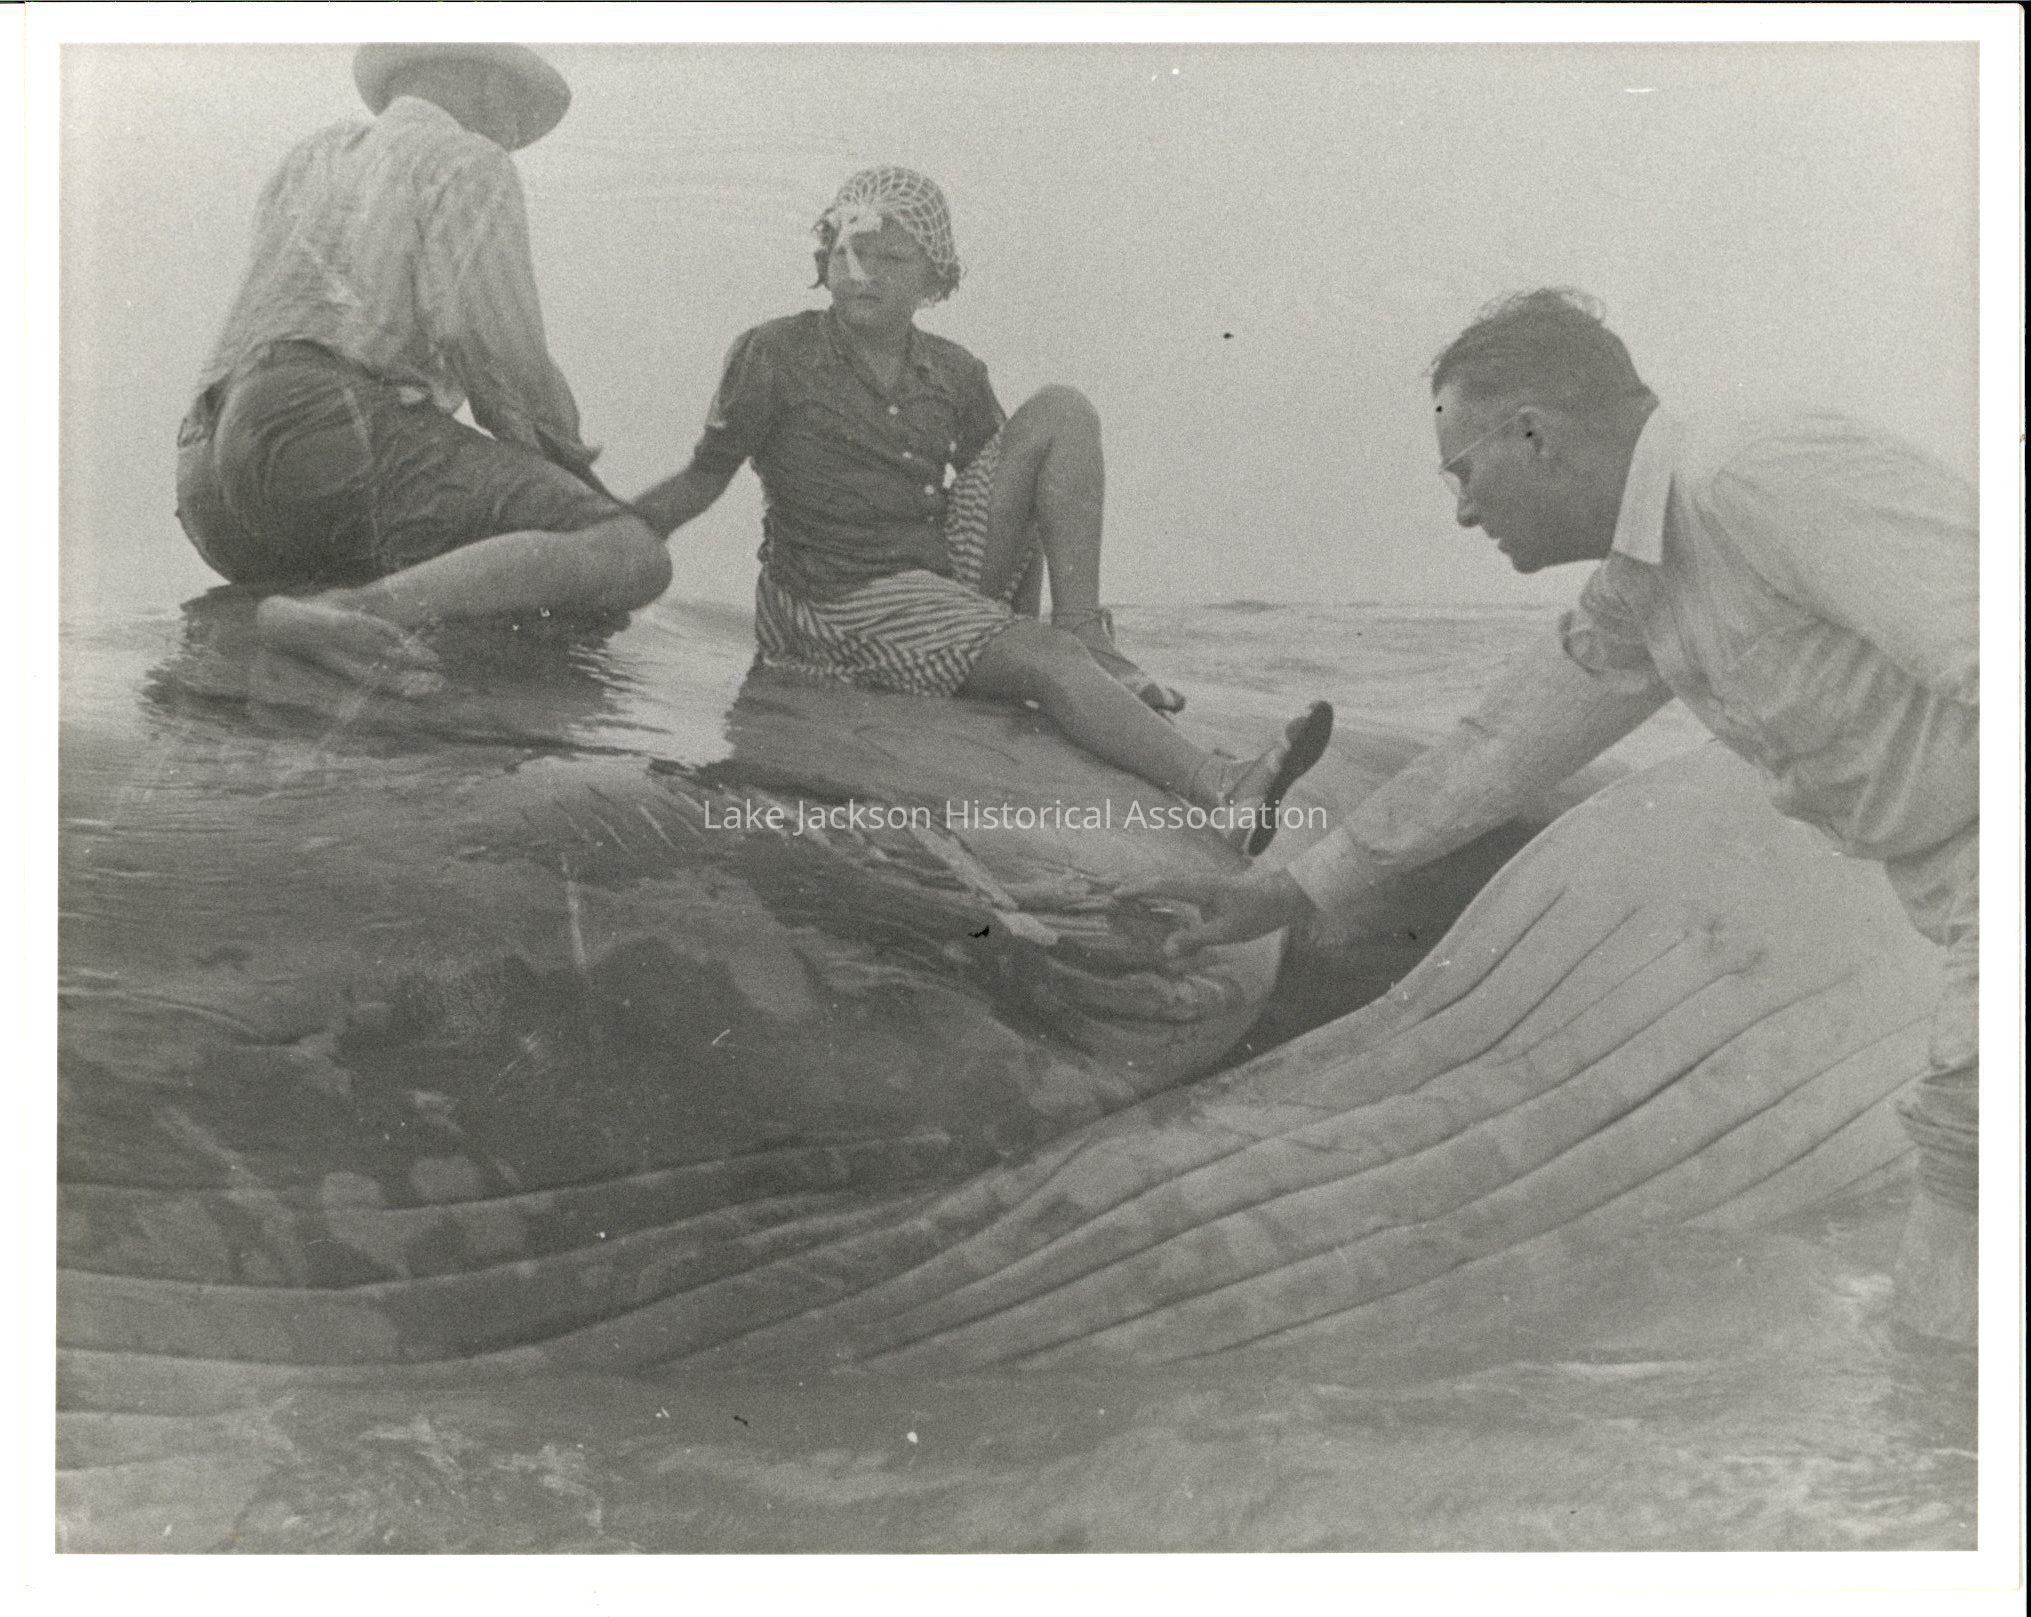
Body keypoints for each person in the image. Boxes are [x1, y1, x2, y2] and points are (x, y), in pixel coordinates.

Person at [1133, 288, 1980, 1341]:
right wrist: (1284, 890)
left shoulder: (1753, 478)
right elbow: (1496, 751)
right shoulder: (1648, 582)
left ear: (1533, 434)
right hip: (1950, 895)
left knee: (1963, 1189)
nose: (1463, 512)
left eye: (1462, 471)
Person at [633, 166, 1331, 853]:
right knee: (1042, 657)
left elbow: (1016, 505)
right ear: (823, 259)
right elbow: (703, 477)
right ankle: (1220, 788)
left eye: (889, 258)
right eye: (846, 252)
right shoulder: (774, 351)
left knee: (1062, 409)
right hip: (833, 601)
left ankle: (1083, 633)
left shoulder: (953, 369)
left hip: (930, 576)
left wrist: (1016, 634)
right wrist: (616, 532)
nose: (862, 273)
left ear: (933, 280)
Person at [175, 43, 671, 696]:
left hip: (207, 468)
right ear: (492, 90)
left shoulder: (312, 155)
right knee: (630, 551)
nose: (515, 136)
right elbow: (490, 342)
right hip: (322, 435)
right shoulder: (469, 157)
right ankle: (353, 611)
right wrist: (572, 475)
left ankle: (322, 631)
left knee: (432, 564)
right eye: (519, 118)